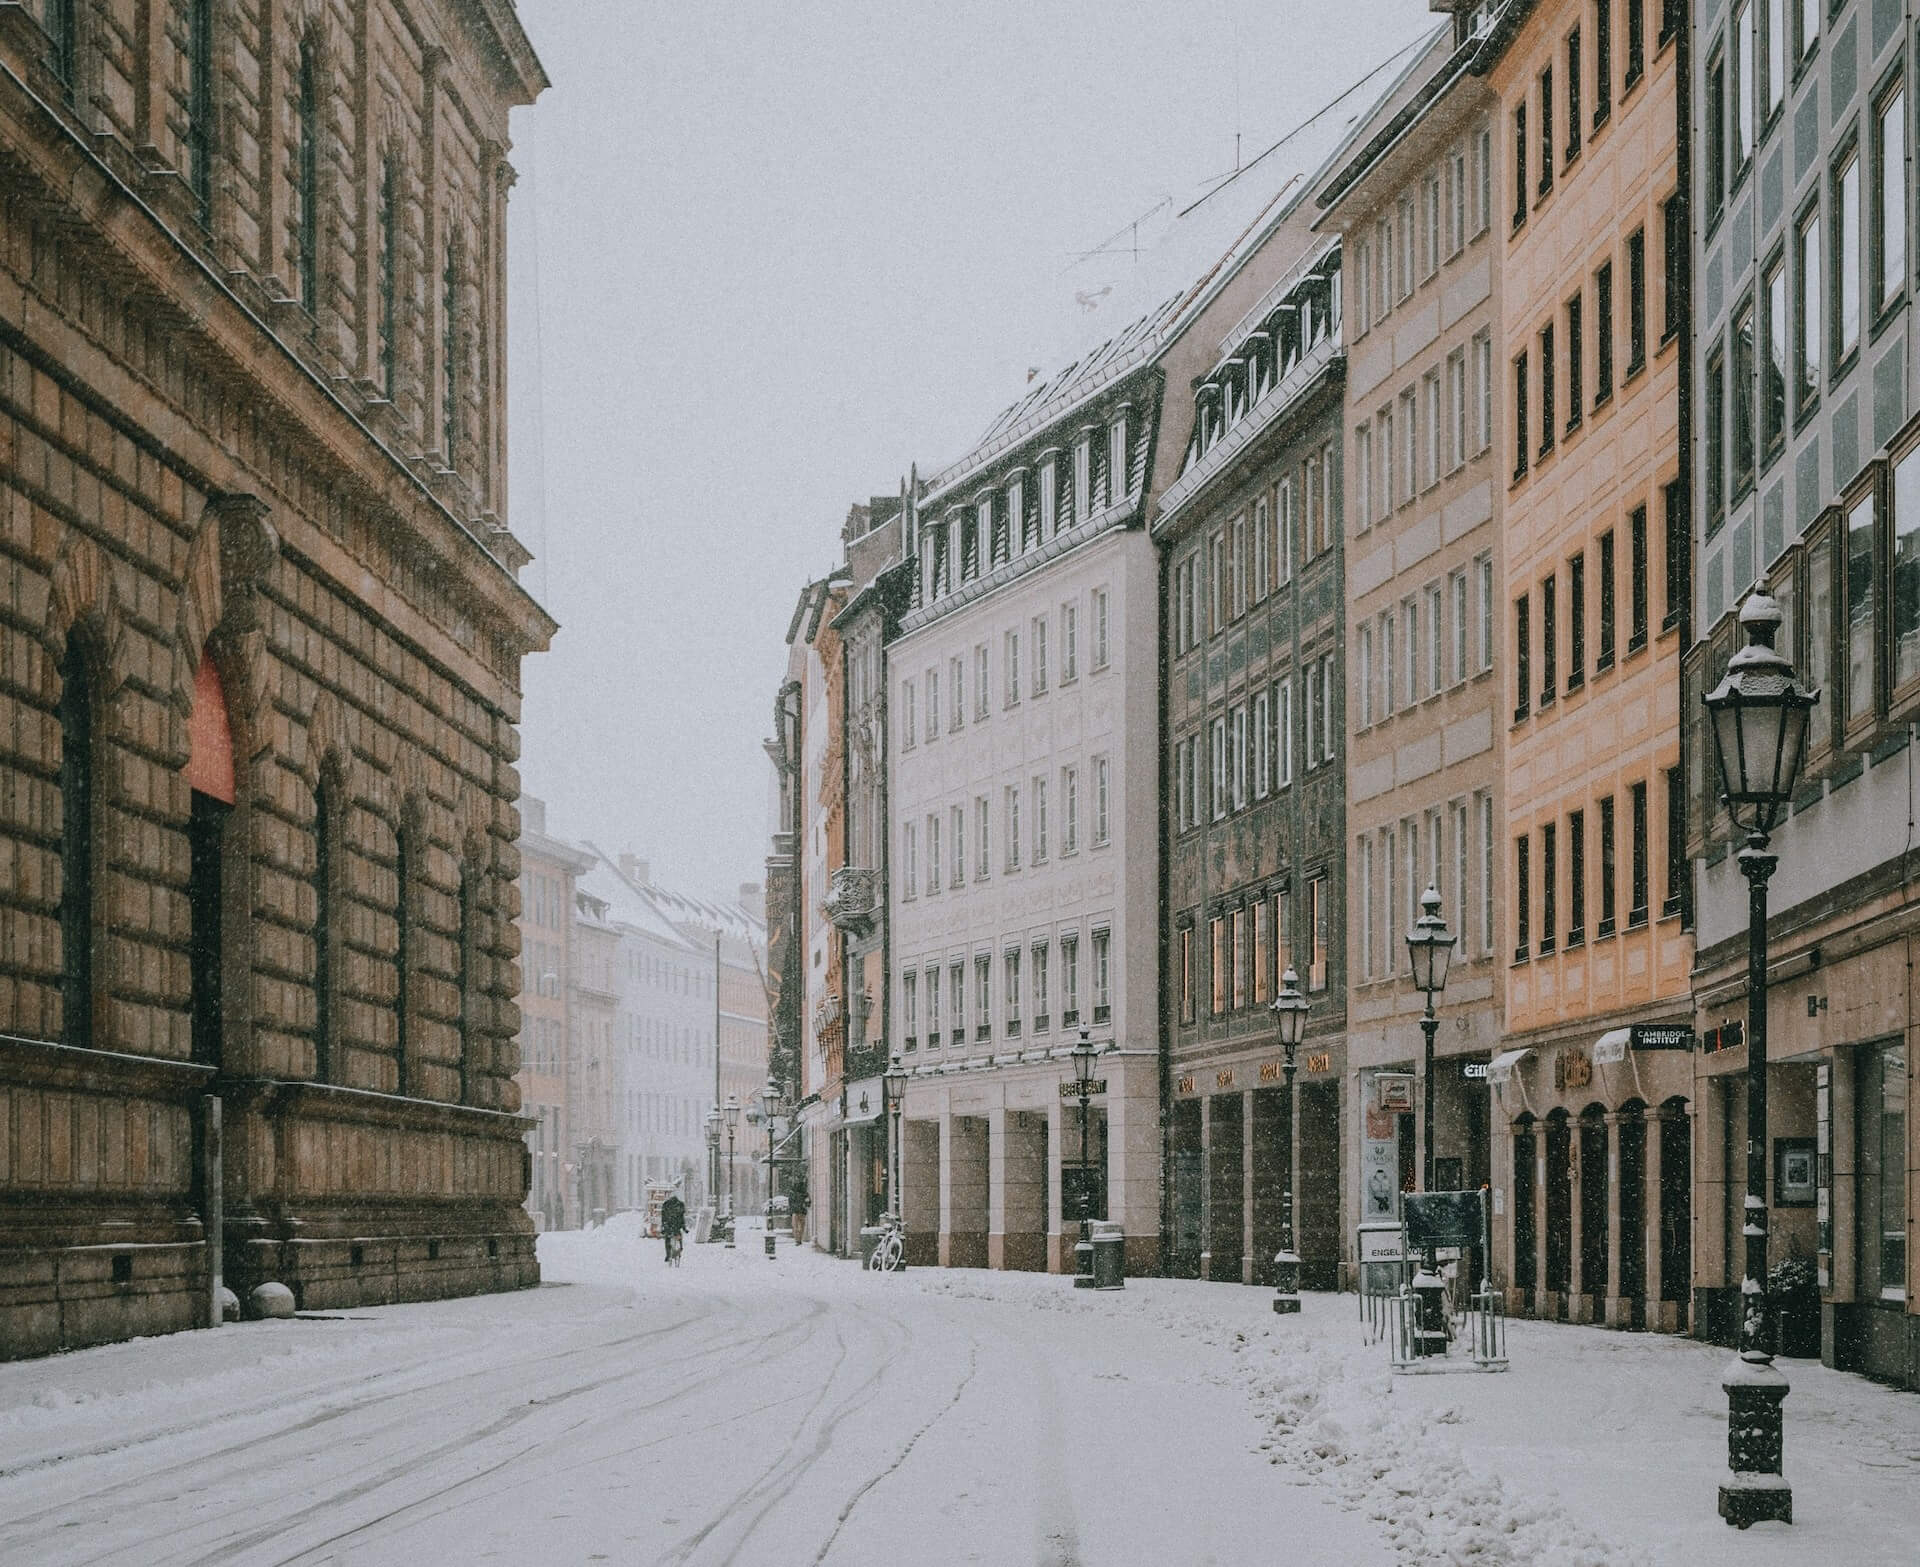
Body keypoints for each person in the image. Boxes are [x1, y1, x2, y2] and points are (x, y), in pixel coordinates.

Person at [660, 1191, 687, 1265]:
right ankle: (679, 1250)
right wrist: (684, 1228)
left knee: (667, 1239)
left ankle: (668, 1255)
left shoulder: (666, 1204)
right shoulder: (680, 1204)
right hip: (677, 1226)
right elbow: (682, 1217)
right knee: (679, 1237)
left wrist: (663, 1227)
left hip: (668, 1226)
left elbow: (663, 1217)